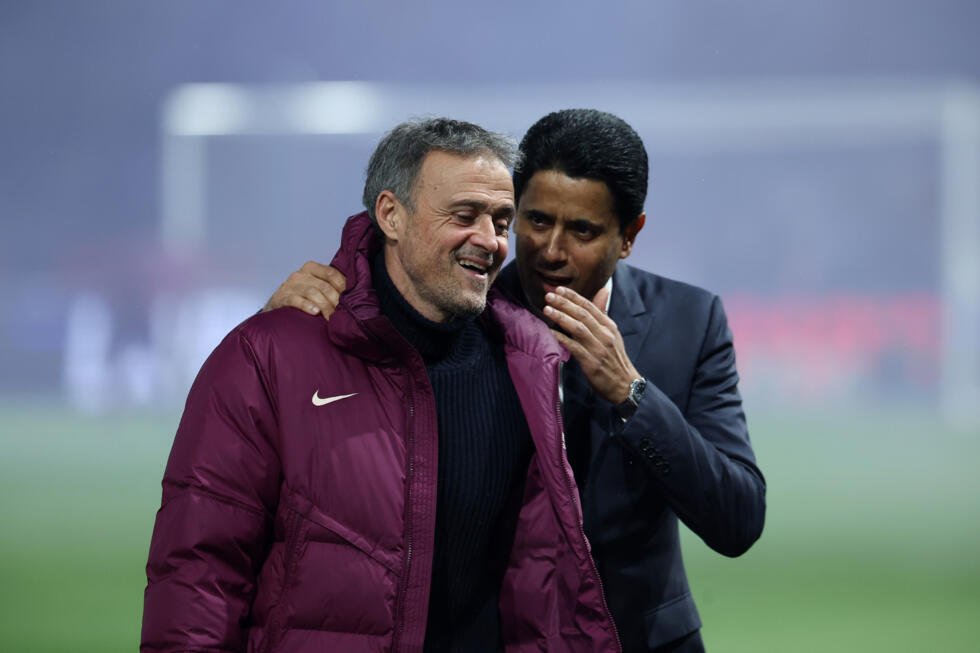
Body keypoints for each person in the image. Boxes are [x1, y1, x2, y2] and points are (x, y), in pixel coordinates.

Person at [266, 109, 766, 652]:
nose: (551, 251)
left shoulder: (689, 322)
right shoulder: (458, 314)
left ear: (629, 235)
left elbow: (737, 520)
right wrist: (293, 322)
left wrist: (632, 394)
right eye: (537, 221)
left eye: (582, 231)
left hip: (641, 640)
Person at [141, 117, 621, 653]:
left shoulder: (528, 365)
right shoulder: (268, 357)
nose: (489, 240)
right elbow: (199, 572)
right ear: (391, 215)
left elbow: (538, 586)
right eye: (464, 216)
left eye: (501, 221)